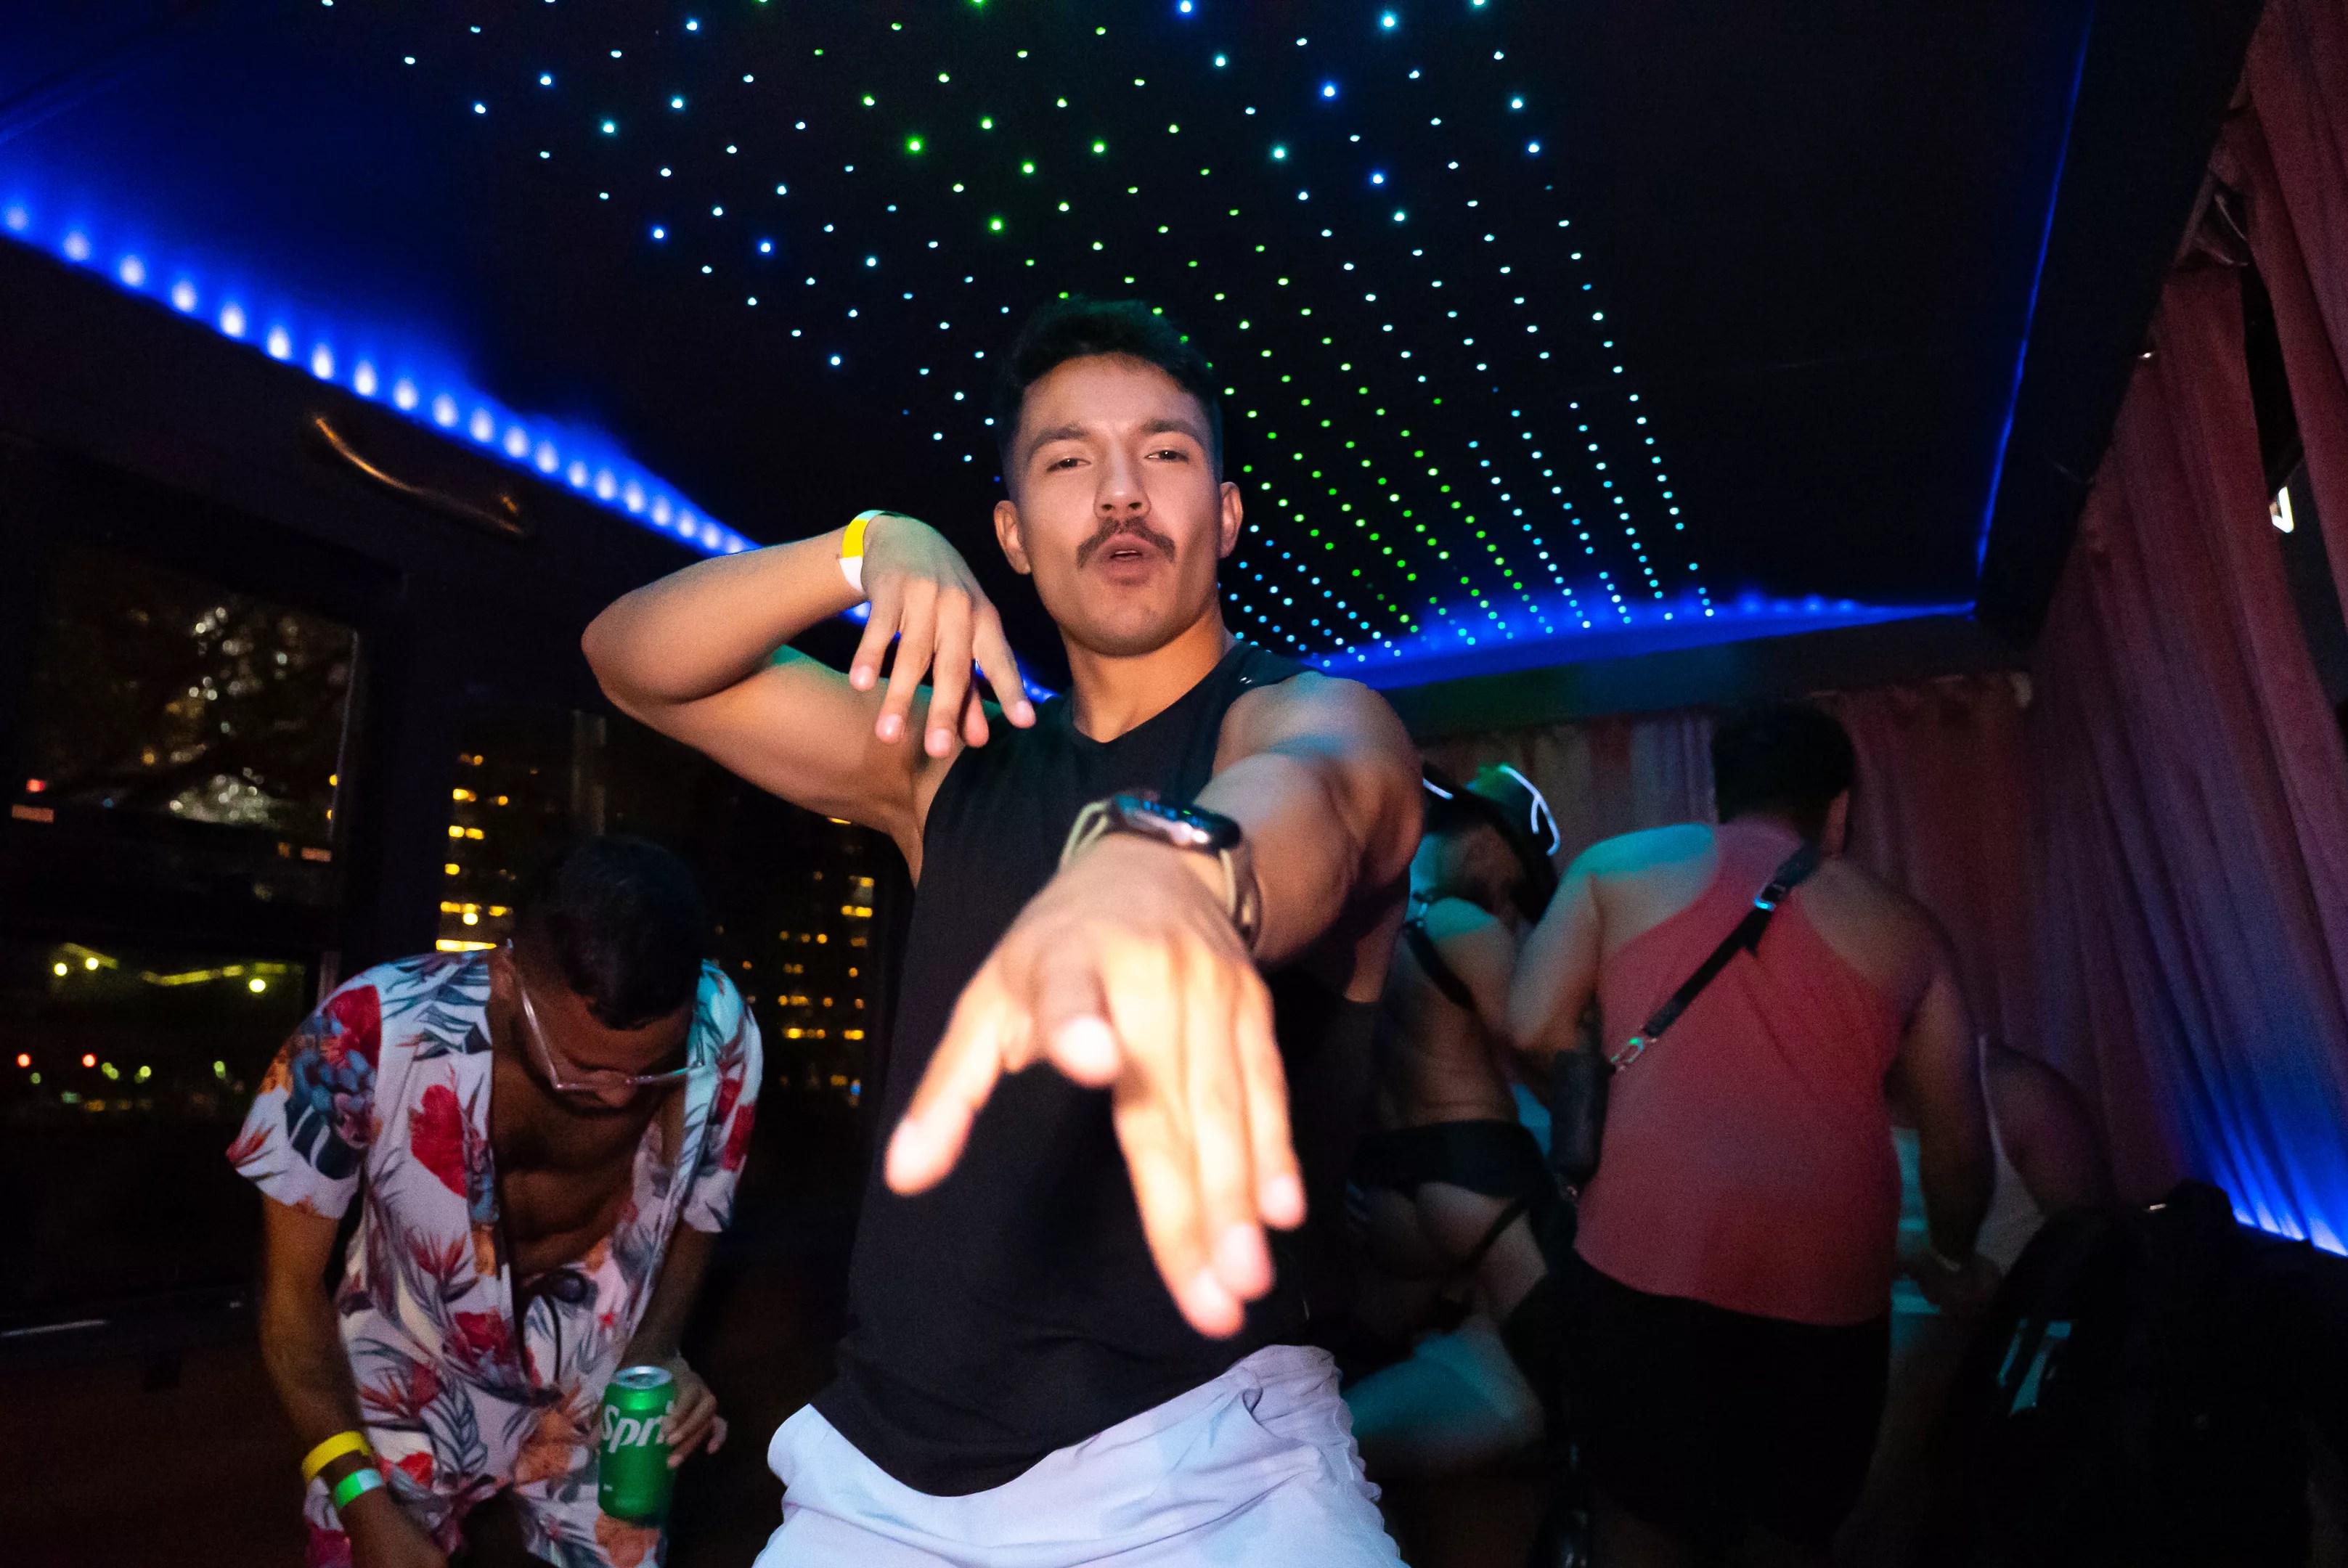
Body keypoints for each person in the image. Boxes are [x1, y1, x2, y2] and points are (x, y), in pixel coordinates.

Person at [583, 297, 1421, 1565]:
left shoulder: (1307, 715)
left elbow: (1323, 798)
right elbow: (632, 658)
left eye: (1166, 454)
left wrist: (1174, 879)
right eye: (1070, 462)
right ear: (1012, 538)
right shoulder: (954, 766)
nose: (1123, 493)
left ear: (1227, 516)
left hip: (1213, 1472)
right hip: (879, 1483)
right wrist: (863, 548)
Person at [1508, 701, 1995, 1568]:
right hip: (1830, 1280)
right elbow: (1959, 1146)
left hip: (1642, 1254)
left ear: (1716, 790)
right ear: (1839, 808)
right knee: (1788, 1538)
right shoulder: (1909, 931)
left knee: (1638, 1527)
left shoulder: (1614, 870)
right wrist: (1954, 1258)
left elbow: (1533, 1024)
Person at [233, 836, 762, 1568]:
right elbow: (289, 1299)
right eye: (585, 1068)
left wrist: (659, 1353)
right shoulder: (364, 1035)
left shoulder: (722, 1030)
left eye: (649, 1071)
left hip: (599, 1374)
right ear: (507, 973)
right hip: (404, 1362)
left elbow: (701, 1210)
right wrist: (361, 1501)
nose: (616, 1094)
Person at [1345, 763, 1565, 1479]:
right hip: (1479, 1182)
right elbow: (1536, 1047)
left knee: (1353, 1407)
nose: (1513, 898)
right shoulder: (1464, 926)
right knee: (1591, 1393)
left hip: (1387, 1204)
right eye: (1514, 875)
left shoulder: (1368, 935)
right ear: (1479, 840)